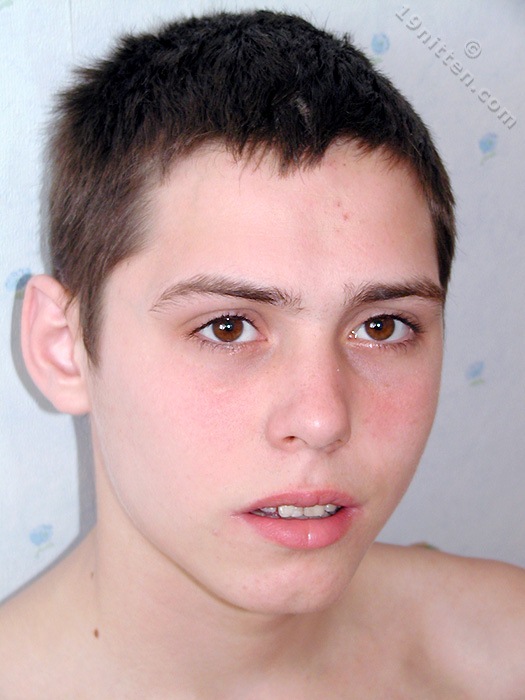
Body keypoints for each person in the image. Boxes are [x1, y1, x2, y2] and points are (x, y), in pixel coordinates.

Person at [0, 9, 523, 698]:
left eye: (381, 326)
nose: (321, 419)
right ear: (63, 349)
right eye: (227, 328)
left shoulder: (505, 653)